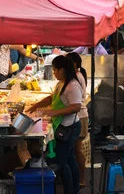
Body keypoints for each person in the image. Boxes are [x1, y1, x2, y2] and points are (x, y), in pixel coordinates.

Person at [28, 55, 82, 194]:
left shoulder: (72, 85)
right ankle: (74, 190)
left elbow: (76, 107)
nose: (54, 73)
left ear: (62, 70)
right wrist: (36, 105)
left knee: (61, 162)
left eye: (55, 70)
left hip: (69, 127)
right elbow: (52, 97)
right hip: (63, 125)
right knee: (69, 159)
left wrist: (55, 112)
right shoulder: (61, 83)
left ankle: (70, 190)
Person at [65, 52, 88, 188]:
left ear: (74, 64)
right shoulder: (76, 76)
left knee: (77, 150)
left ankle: (81, 179)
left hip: (80, 116)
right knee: (74, 150)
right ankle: (76, 178)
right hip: (78, 116)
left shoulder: (76, 78)